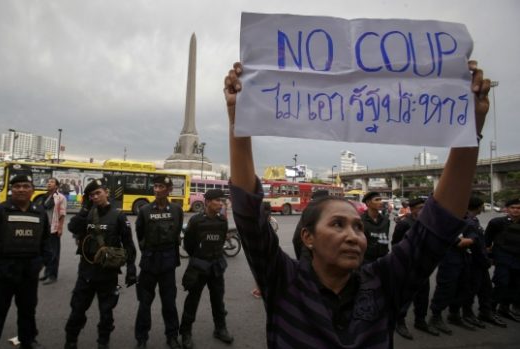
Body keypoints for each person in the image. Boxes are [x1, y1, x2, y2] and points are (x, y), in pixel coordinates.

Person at [223, 60, 490, 348]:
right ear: (307, 237)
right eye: (337, 224)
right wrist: (239, 121)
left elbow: (439, 224)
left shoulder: (384, 282)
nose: (353, 236)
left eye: (358, 227)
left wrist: (470, 128)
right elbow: (249, 215)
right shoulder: (283, 281)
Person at [0, 175, 51, 349]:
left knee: (27, 311)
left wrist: (42, 262)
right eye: (17, 186)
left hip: (28, 274)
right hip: (2, 273)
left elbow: (46, 240)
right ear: (11, 189)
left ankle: (28, 340)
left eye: (25, 186)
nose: (21, 189)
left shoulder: (39, 212)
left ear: (32, 190)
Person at [64, 179, 137, 349]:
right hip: (87, 271)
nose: (95, 197)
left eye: (98, 193)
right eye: (91, 195)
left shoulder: (119, 216)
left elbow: (128, 244)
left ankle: (103, 341)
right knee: (77, 309)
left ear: (106, 192)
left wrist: (131, 269)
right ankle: (71, 340)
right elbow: (73, 227)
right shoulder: (88, 213)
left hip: (108, 272)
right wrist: (84, 208)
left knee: (106, 312)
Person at [180, 189, 234, 349]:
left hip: (216, 267)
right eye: (217, 200)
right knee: (192, 301)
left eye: (222, 201)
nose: (221, 203)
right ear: (208, 202)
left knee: (218, 300)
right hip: (199, 267)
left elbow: (221, 241)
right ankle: (185, 333)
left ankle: (220, 329)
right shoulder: (196, 221)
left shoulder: (222, 221)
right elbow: (188, 245)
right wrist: (199, 257)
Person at [134, 175, 183, 349]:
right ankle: (141, 338)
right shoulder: (145, 210)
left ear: (169, 190)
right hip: (149, 262)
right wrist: (148, 251)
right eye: (155, 186)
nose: (157, 189)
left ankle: (172, 336)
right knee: (144, 303)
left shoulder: (177, 210)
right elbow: (139, 233)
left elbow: (177, 230)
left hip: (168, 263)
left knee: (169, 303)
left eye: (161, 186)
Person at [390, 198, 440, 339]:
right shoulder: (404, 224)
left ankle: (421, 321)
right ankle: (400, 322)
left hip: (423, 265)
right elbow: (395, 245)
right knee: (404, 297)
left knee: (423, 296)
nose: (423, 210)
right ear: (412, 209)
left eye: (424, 207)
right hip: (407, 266)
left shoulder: (429, 224)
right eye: (419, 208)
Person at [462, 196, 507, 328]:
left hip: (480, 261)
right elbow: (475, 245)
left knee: (485, 289)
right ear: (478, 206)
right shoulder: (469, 222)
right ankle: (468, 314)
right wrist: (485, 259)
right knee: (472, 289)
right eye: (482, 205)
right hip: (475, 262)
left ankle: (485, 312)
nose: (483, 207)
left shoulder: (473, 220)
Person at [485, 198, 520, 322]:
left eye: (518, 208)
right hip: (503, 258)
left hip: (517, 259)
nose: (516, 210)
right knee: (501, 283)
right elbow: (487, 241)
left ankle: (504, 308)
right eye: (513, 207)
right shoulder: (497, 223)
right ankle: (490, 310)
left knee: (515, 285)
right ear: (507, 209)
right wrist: (488, 257)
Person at [39, 178, 67, 285]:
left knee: (54, 253)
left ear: (56, 186)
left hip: (53, 228)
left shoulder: (60, 197)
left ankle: (52, 275)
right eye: (48, 182)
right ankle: (47, 273)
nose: (49, 183)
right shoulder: (45, 197)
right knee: (45, 252)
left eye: (51, 182)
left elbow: (62, 213)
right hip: (44, 228)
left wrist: (60, 228)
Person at [361, 191, 391, 264]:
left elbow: (386, 238)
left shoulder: (386, 220)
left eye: (380, 199)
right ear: (368, 203)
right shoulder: (360, 220)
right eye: (377, 200)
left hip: (383, 259)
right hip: (366, 261)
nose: (380, 202)